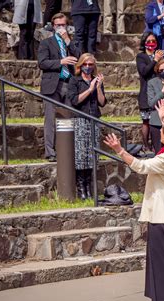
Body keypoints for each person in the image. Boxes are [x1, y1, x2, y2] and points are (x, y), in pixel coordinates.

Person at [103, 100, 164, 301]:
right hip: (162, 209)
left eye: (163, 129)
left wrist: (120, 150)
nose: (160, 131)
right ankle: (160, 298)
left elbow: (142, 166)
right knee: (154, 256)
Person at [38, 13, 81, 162]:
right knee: (50, 120)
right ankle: (50, 152)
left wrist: (68, 41)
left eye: (63, 25)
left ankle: (68, 150)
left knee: (69, 118)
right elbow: (42, 63)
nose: (61, 28)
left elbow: (80, 57)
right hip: (52, 85)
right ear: (53, 26)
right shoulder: (46, 43)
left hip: (68, 84)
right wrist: (61, 61)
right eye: (58, 25)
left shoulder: (71, 43)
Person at [67, 53, 106, 199]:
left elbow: (102, 102)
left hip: (94, 119)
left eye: (91, 65)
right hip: (81, 119)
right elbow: (74, 100)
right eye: (85, 64)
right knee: (81, 155)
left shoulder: (96, 80)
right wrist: (89, 89)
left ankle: (89, 188)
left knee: (92, 155)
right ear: (80, 65)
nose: (88, 67)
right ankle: (81, 188)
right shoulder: (74, 80)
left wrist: (99, 87)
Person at [136, 32, 164, 151]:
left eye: (154, 41)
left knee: (157, 119)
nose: (151, 43)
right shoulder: (141, 57)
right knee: (146, 120)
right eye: (149, 41)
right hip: (145, 92)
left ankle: (157, 144)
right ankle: (146, 145)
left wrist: (160, 60)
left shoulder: (159, 56)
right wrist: (155, 60)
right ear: (144, 42)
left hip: (158, 91)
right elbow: (144, 71)